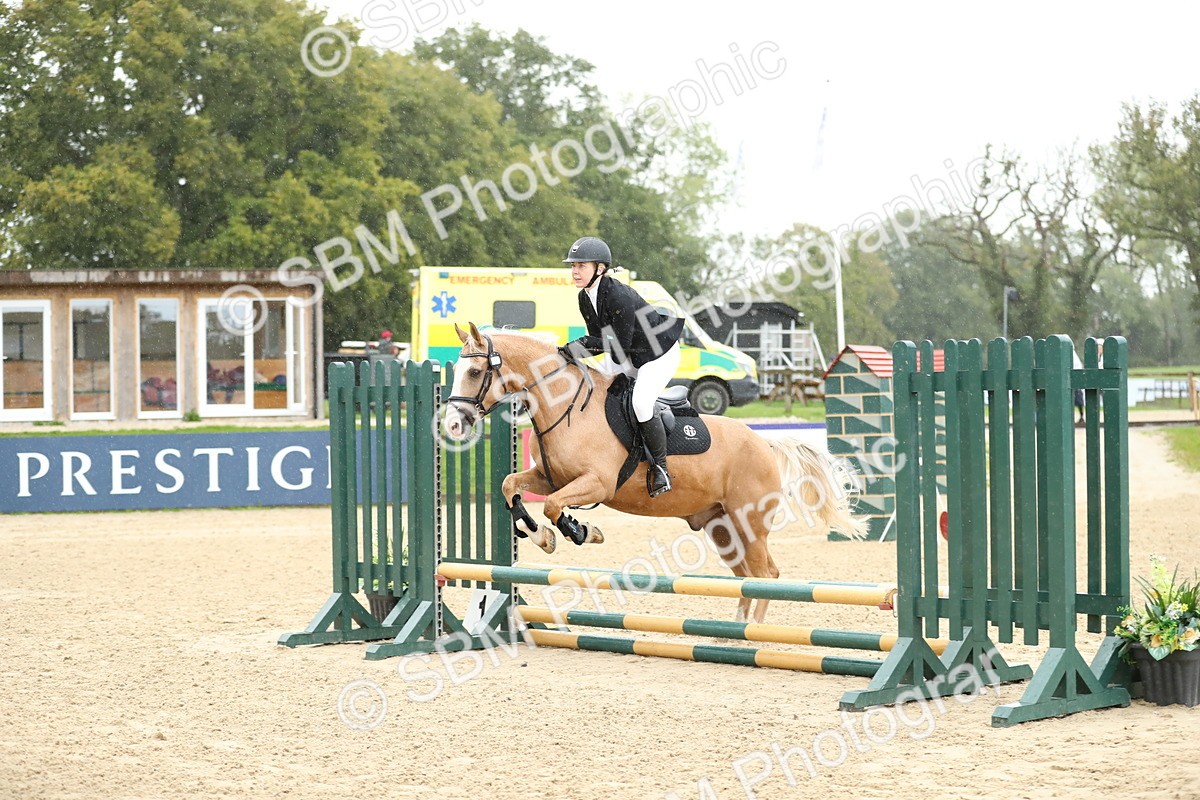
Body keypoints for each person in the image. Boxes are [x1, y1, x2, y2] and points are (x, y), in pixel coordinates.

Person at [561, 236, 684, 497]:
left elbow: (618, 343)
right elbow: (603, 342)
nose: (575, 271)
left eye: (581, 266)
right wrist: (572, 353)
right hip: (629, 353)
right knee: (599, 390)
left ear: (600, 268)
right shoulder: (585, 297)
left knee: (640, 403)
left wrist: (582, 345)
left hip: (658, 354)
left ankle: (661, 468)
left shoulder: (618, 295)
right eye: (573, 266)